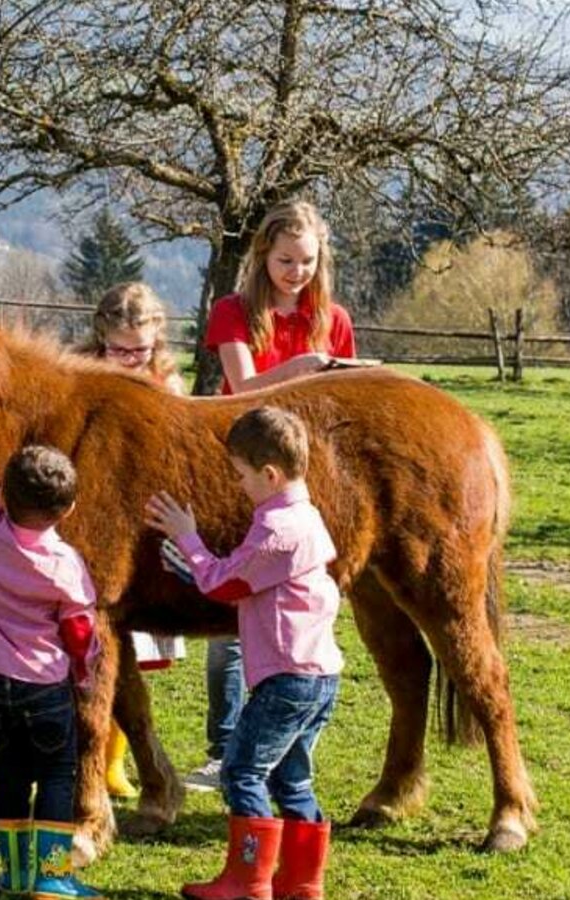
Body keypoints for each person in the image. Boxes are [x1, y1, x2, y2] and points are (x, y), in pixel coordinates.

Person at [189, 199, 361, 793]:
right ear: (264, 256)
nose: (297, 272)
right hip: (242, 473)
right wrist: (307, 366)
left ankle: (285, 748)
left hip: (305, 482)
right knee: (235, 616)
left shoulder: (332, 317)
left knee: (302, 613)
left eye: (308, 261)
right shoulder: (234, 313)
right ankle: (224, 745)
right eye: (286, 260)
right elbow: (242, 389)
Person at [145, 407, 341, 900]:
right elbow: (241, 573)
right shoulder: (305, 515)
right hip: (319, 674)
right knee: (292, 777)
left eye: (241, 475)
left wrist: (185, 535)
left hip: (287, 679)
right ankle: (302, 882)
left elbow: (223, 582)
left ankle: (248, 880)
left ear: (270, 474)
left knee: (242, 771)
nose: (238, 485)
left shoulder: (277, 531)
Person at [0, 372, 104, 899]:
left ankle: (13, 873)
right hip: (45, 689)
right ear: (69, 510)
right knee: (57, 776)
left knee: (8, 777)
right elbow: (80, 632)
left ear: (5, 496)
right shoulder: (66, 565)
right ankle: (52, 877)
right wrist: (83, 676)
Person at [77, 281, 187, 799]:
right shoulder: (81, 377)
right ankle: (101, 761)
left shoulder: (167, 381)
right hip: (97, 518)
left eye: (138, 350)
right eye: (119, 349)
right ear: (102, 338)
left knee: (134, 653)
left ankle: (117, 760)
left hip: (148, 525)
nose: (128, 358)